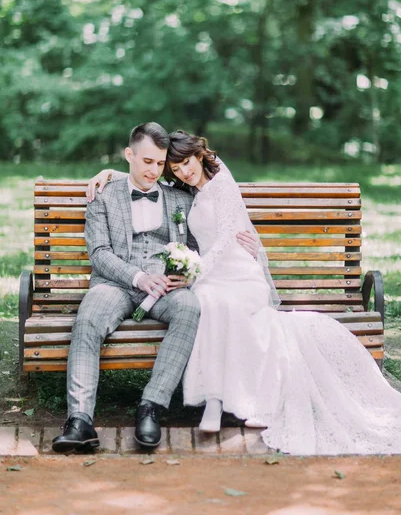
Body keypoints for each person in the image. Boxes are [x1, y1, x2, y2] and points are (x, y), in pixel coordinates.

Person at [89, 130, 401, 456]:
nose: (184, 171)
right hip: (210, 276)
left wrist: (196, 271)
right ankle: (214, 401)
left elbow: (224, 239)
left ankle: (250, 400)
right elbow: (145, 177)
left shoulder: (222, 182)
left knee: (220, 302)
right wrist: (110, 172)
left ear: (199, 153)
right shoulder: (186, 189)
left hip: (237, 271)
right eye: (176, 167)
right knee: (204, 302)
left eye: (188, 162)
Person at [52, 122, 257, 453]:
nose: (153, 170)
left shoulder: (179, 197)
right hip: (115, 283)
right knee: (88, 316)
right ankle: (80, 421)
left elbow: (203, 237)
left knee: (190, 307)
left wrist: (234, 249)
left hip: (164, 286)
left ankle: (151, 407)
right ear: (129, 155)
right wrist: (137, 276)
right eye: (146, 162)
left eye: (159, 164)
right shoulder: (103, 195)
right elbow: (99, 253)